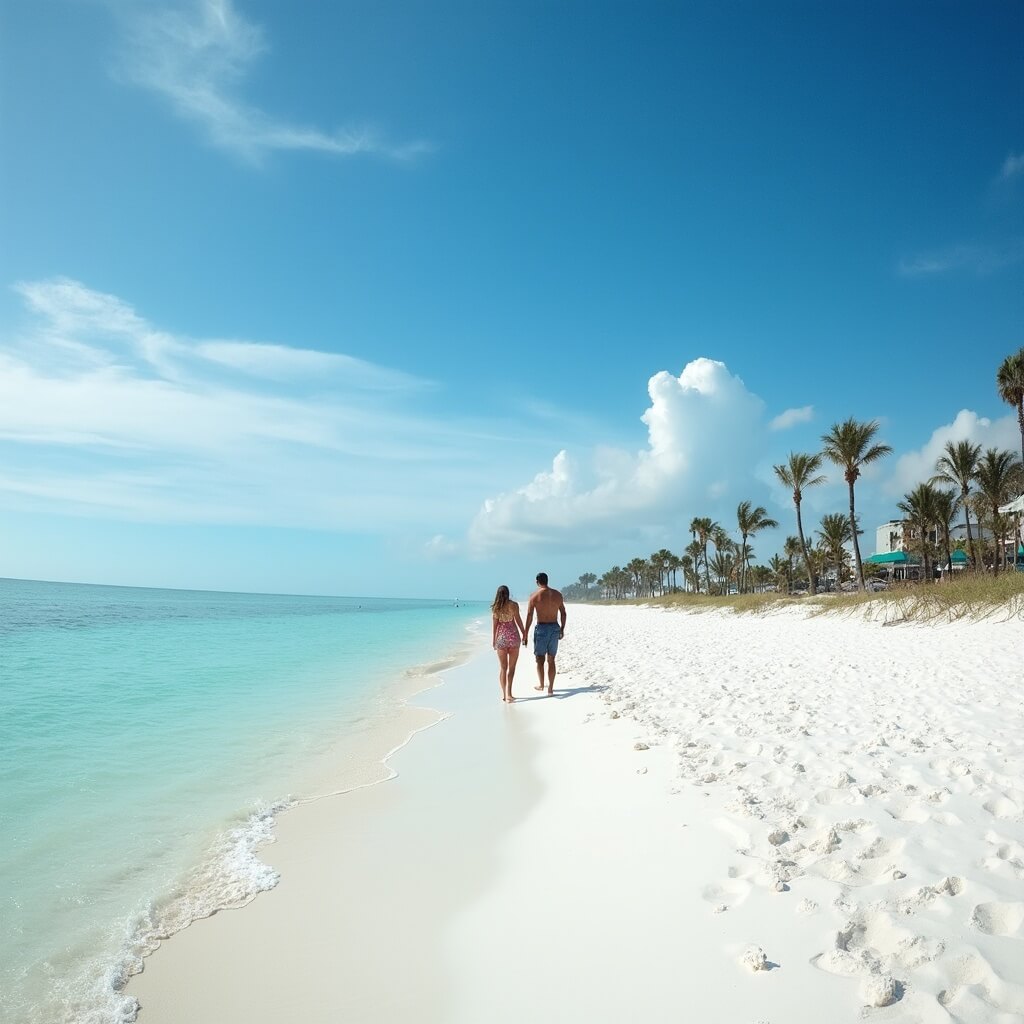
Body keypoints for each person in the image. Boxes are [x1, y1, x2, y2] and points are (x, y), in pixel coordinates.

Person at [523, 572, 567, 696]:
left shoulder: (534, 596)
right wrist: (562, 628)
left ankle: (542, 685)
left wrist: (525, 633)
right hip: (554, 628)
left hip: (542, 628)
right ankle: (550, 689)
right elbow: (563, 613)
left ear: (537, 581)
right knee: (551, 659)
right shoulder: (558, 595)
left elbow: (530, 616)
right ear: (547, 580)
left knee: (540, 659)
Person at [491, 585, 526, 702]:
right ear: (508, 593)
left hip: (501, 638)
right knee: (511, 668)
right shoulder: (514, 605)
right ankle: (510, 693)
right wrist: (524, 633)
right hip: (513, 637)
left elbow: (495, 626)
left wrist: (494, 640)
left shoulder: (496, 608)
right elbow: (518, 620)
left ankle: (504, 695)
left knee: (503, 668)